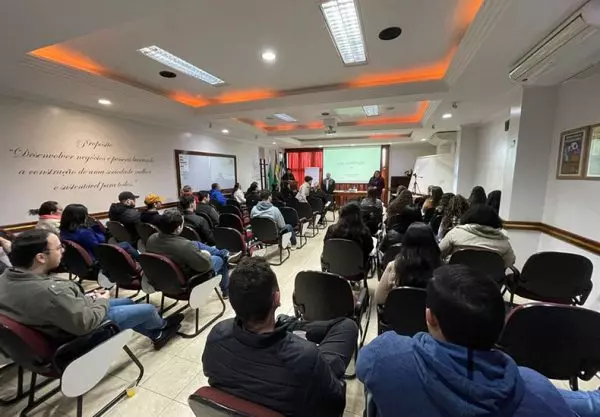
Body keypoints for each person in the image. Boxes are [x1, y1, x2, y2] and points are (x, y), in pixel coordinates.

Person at [359, 264, 600, 417]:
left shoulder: (385, 356)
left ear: (429, 317)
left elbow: (363, 364)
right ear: (502, 324)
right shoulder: (538, 392)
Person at [202, 257, 358, 417]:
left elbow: (211, 374)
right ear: (277, 298)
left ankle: (286, 324)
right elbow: (334, 404)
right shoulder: (306, 356)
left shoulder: (217, 335)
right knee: (347, 326)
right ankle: (288, 324)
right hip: (308, 384)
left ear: (233, 301)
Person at [0, 229, 182, 349]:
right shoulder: (51, 291)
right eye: (59, 247)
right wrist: (101, 301)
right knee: (148, 309)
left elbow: (61, 306)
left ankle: (155, 333)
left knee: (127, 301)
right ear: (41, 257)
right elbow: (85, 324)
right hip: (80, 336)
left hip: (59, 322)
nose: (63, 250)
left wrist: (88, 299)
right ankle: (161, 327)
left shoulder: (6, 278)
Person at [146, 209, 229, 298]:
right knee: (221, 259)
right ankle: (226, 290)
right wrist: (206, 254)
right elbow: (205, 265)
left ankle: (223, 253)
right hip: (189, 281)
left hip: (163, 279)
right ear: (178, 228)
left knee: (195, 243)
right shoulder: (185, 246)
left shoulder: (151, 238)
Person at [375, 223, 441, 305]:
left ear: (405, 242)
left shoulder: (394, 266)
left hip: (398, 312)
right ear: (432, 243)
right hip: (429, 313)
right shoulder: (441, 270)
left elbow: (379, 298)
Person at [439, 204, 516, 267]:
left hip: (455, 278)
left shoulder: (456, 232)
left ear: (468, 216)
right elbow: (509, 262)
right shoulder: (503, 241)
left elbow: (439, 253)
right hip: (488, 280)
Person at [60, 204, 139, 260]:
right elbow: (99, 245)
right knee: (126, 245)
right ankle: (142, 263)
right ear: (81, 217)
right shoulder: (84, 232)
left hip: (80, 261)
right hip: (97, 258)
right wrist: (94, 231)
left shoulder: (63, 231)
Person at [323, 203, 373, 268]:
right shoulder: (364, 232)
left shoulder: (331, 229)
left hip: (334, 267)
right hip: (357, 269)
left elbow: (326, 245)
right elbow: (369, 248)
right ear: (358, 216)